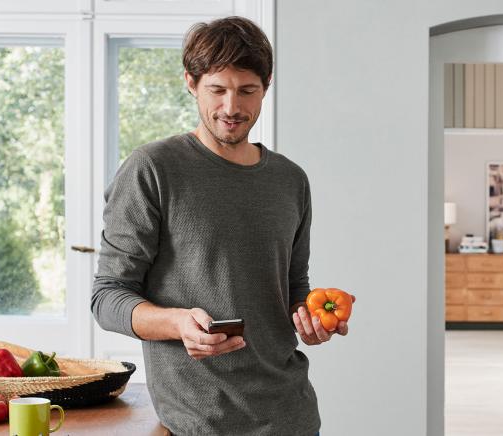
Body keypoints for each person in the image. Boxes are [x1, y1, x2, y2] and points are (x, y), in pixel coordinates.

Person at [91, 16, 354, 436]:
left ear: (266, 85)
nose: (232, 108)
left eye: (247, 90)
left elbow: (292, 286)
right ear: (191, 83)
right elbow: (107, 298)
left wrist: (310, 320)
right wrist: (178, 324)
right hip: (199, 422)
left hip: (292, 416)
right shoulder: (153, 169)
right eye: (217, 89)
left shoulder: (290, 180)